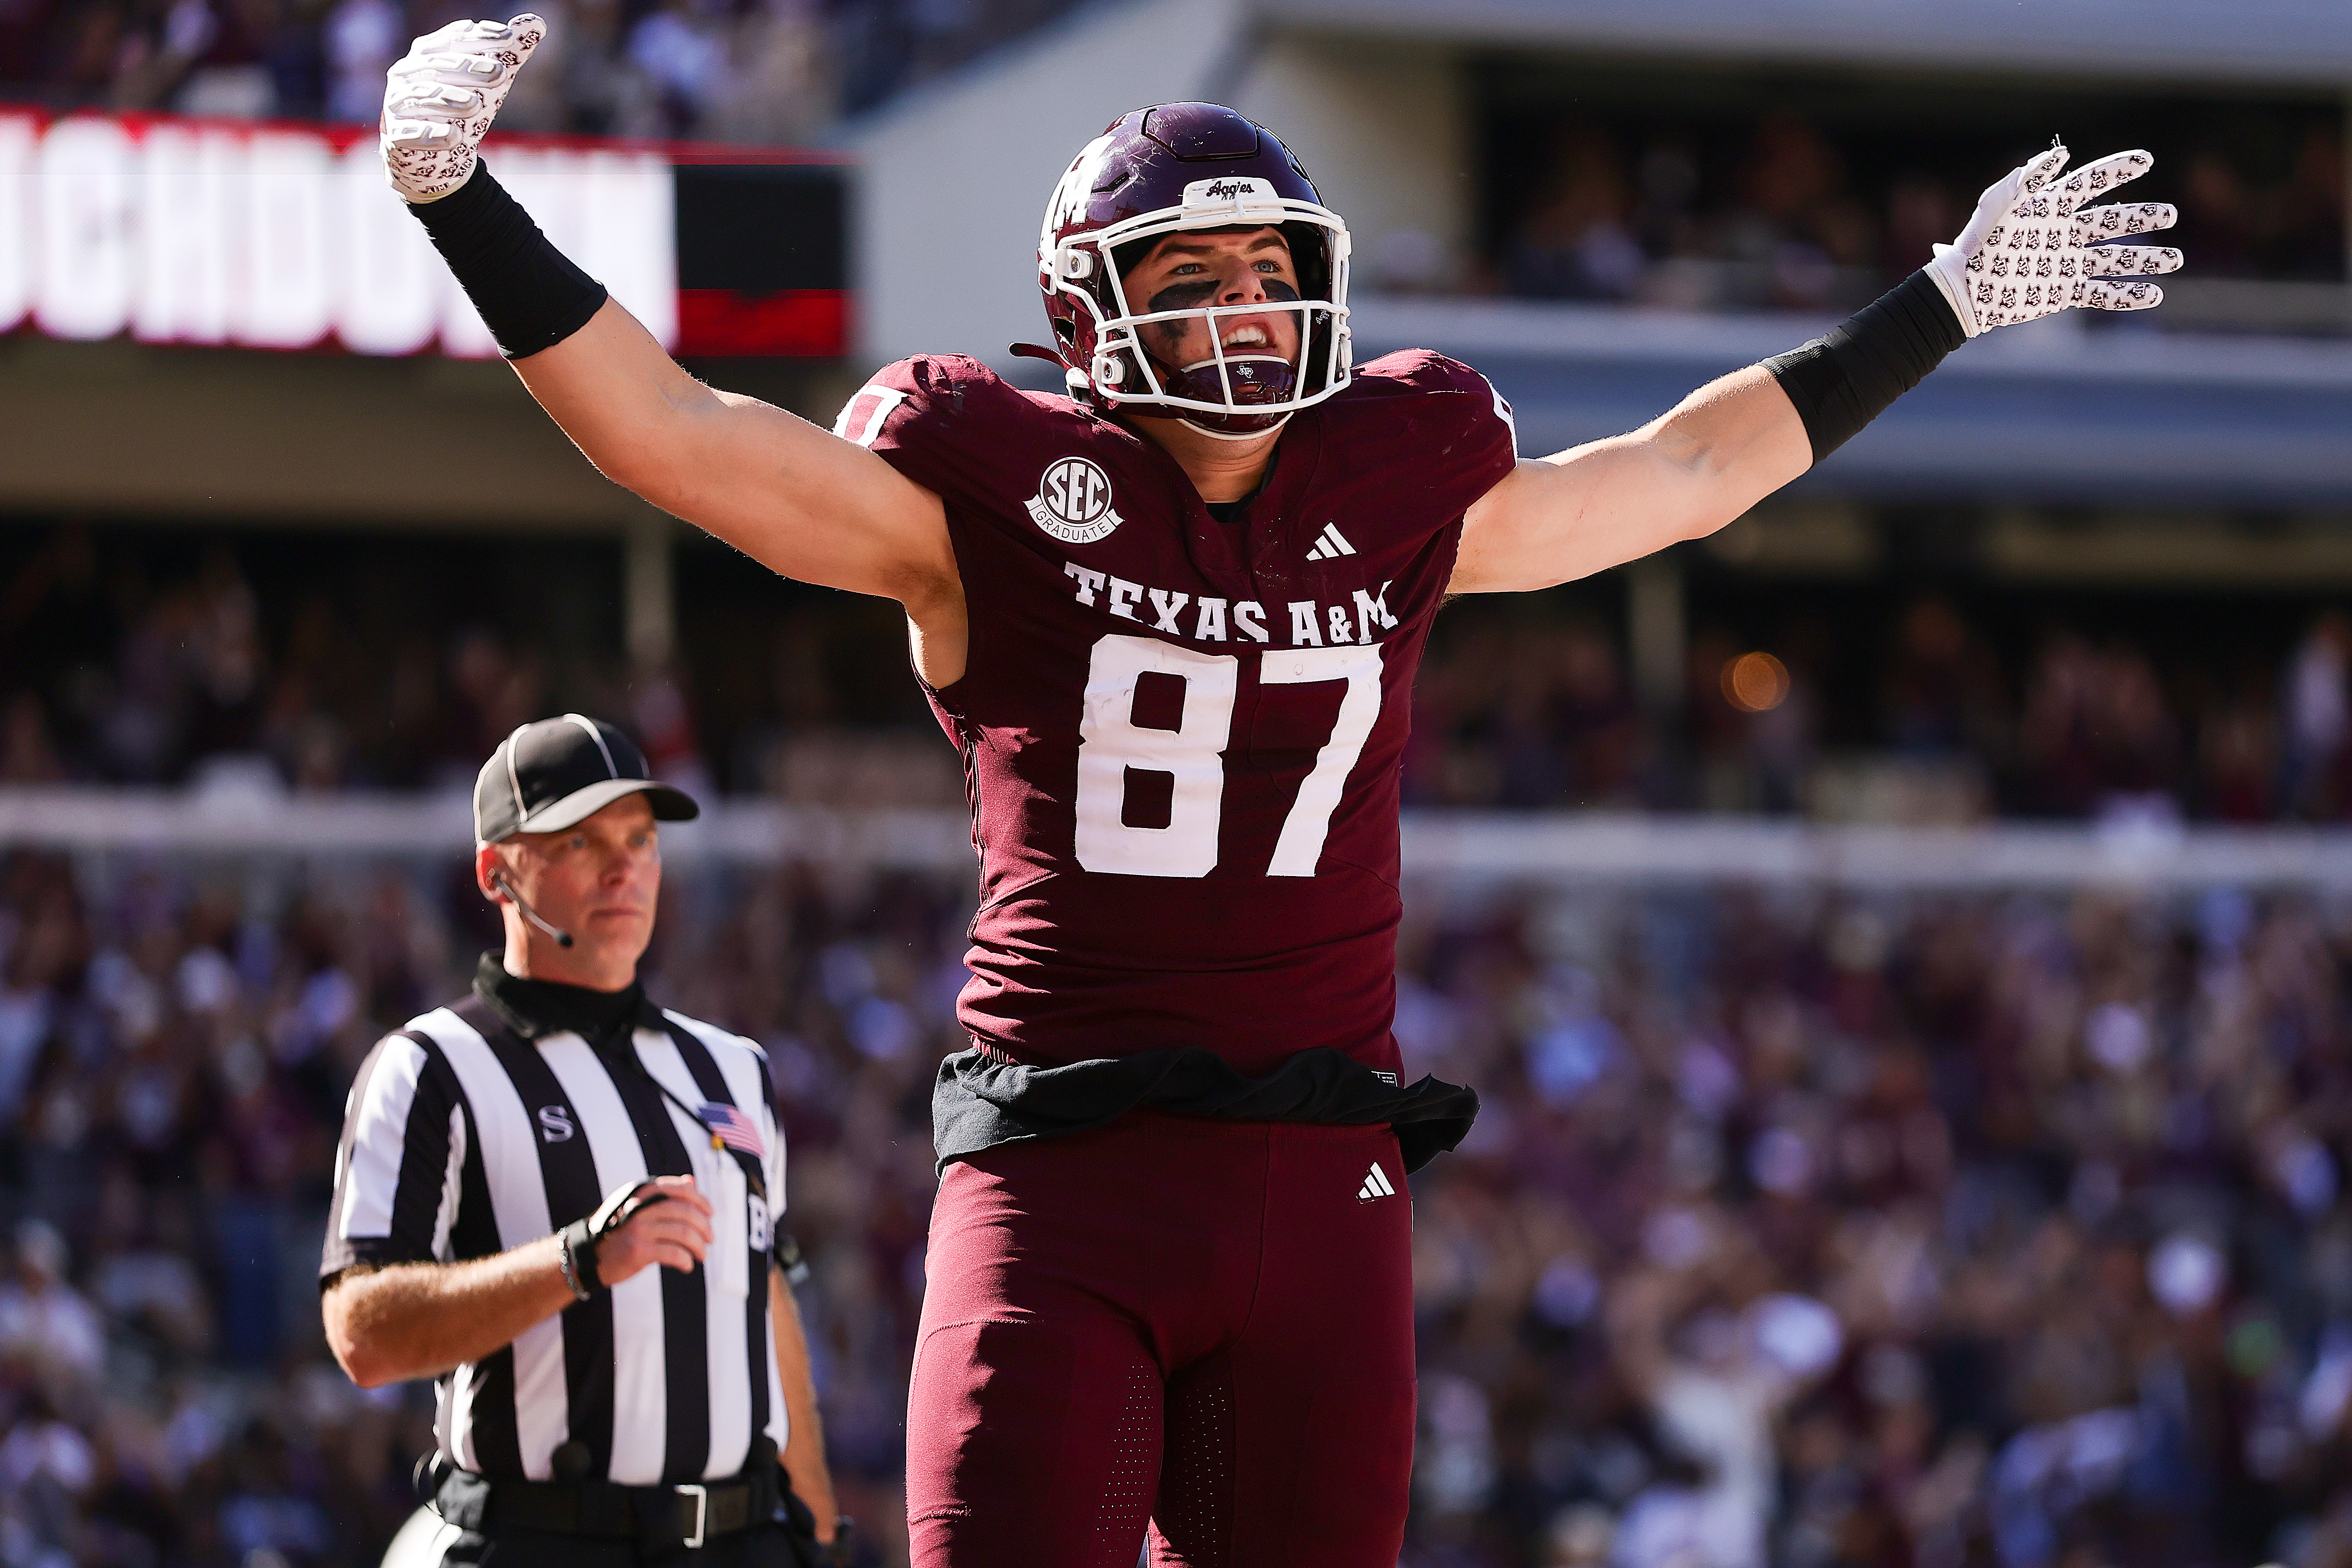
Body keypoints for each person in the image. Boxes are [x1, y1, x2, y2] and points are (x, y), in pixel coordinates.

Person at [375, 23, 2184, 1564]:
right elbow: (678, 439)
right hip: (1062, 1178)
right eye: (1192, 279)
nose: (1246, 309)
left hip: (1321, 1182)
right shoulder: (986, 497)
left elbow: (1688, 468)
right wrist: (460, 196)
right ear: (1092, 317)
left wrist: (1936, 304)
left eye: (1267, 271)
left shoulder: (1397, 484)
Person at [320, 714, 847, 1566]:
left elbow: (766, 1297)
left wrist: (818, 1530)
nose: (622, 868)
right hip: (543, 1541)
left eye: (640, 840)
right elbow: (360, 1332)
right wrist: (576, 1262)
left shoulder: (734, 1069)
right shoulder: (429, 1067)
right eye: (580, 842)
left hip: (743, 1542)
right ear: (497, 873)